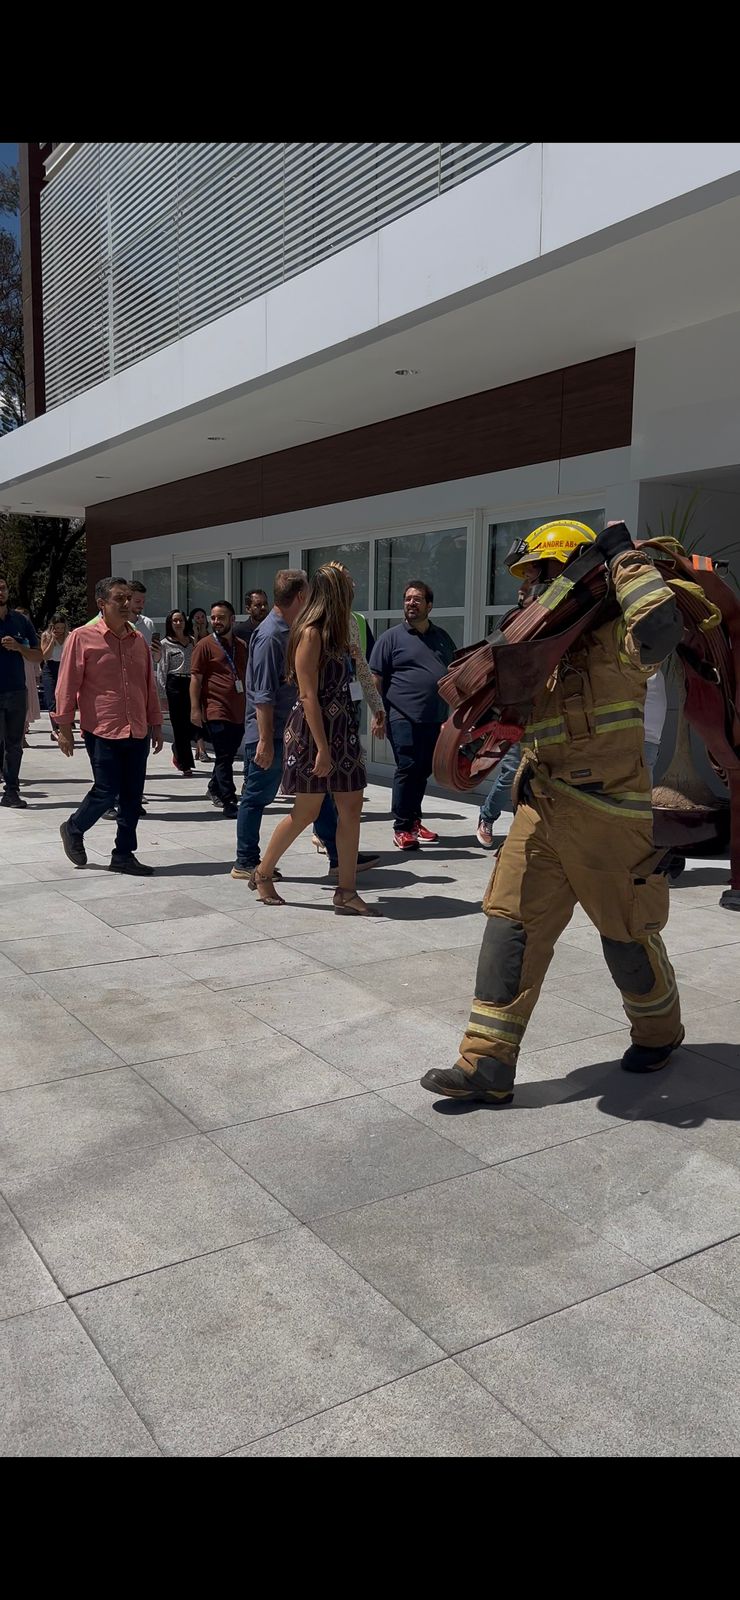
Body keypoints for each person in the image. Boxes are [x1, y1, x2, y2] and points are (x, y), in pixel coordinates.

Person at [421, 518, 685, 1107]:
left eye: (536, 575)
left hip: (609, 817)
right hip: (541, 807)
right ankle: (486, 1063)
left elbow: (660, 628)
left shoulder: (617, 635)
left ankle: (659, 1031)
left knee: (626, 937)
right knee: (509, 926)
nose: (525, 589)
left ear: (568, 574)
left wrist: (624, 558)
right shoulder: (536, 650)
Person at [231, 569, 381, 882]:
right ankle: (248, 862)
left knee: (321, 802)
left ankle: (339, 860)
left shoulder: (306, 629)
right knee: (259, 797)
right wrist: (264, 739)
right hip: (277, 731)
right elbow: (264, 693)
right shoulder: (273, 635)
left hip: (311, 730)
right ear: (302, 596)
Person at [55, 576, 163, 875]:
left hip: (137, 728)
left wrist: (155, 722)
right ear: (102, 603)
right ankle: (74, 827)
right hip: (102, 728)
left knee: (132, 795)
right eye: (120, 598)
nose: (127, 604)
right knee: (107, 789)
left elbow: (148, 685)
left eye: (129, 598)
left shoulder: (138, 640)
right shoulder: (81, 637)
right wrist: (64, 728)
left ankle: (123, 855)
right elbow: (67, 685)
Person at [369, 580, 456, 850]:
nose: (411, 603)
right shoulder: (390, 638)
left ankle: (414, 821)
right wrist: (378, 714)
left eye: (417, 599)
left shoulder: (442, 637)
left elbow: (453, 672)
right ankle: (402, 827)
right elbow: (375, 679)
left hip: (434, 716)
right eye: (408, 599)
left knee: (423, 770)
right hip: (401, 714)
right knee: (407, 767)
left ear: (429, 605)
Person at [475, 574, 534, 848]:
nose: (522, 593)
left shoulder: (556, 622)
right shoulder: (512, 620)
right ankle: (487, 816)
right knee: (511, 771)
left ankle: (523, 831)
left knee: (537, 777)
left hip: (545, 711)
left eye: (527, 589)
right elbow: (491, 656)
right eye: (522, 590)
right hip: (515, 711)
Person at [190, 600, 247, 817]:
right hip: (216, 708)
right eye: (213, 618)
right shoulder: (204, 645)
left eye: (221, 618)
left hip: (238, 709)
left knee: (228, 754)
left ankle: (214, 787)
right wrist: (195, 709)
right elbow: (196, 679)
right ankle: (228, 799)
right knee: (223, 754)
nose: (216, 621)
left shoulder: (241, 645)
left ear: (232, 619)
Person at [0, 575, 43, 808]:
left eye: (3, 588)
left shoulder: (20, 621)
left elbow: (38, 655)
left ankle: (11, 791)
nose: (1, 592)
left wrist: (18, 647)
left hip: (16, 691)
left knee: (14, 744)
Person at [156, 610, 195, 774]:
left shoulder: (192, 641)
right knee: (179, 725)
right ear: (170, 624)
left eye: (181, 620)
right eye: (175, 621)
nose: (178, 623)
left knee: (191, 724)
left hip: (190, 683)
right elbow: (162, 669)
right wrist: (162, 694)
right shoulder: (165, 644)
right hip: (174, 684)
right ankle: (185, 764)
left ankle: (177, 749)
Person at [41, 615, 70, 741]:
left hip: (64, 666)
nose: (59, 631)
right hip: (50, 667)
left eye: (62, 628)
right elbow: (45, 656)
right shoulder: (46, 636)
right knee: (51, 698)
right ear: (52, 627)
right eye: (57, 628)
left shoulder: (69, 636)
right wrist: (52, 640)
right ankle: (55, 729)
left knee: (63, 699)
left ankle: (64, 726)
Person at [188, 609, 211, 762]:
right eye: (197, 617)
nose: (200, 620)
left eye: (203, 617)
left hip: (208, 680)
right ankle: (202, 748)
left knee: (205, 715)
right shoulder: (189, 637)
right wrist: (196, 636)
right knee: (197, 714)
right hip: (195, 679)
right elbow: (194, 655)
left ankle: (199, 746)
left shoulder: (210, 636)